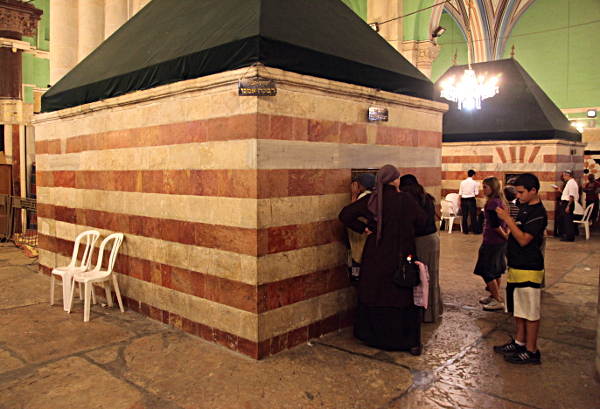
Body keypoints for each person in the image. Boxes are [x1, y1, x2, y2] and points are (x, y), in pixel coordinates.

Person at [339, 164, 427, 355]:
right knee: (401, 294)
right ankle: (408, 341)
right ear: (394, 180)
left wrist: (364, 228)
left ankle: (374, 337)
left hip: (375, 255)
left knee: (376, 292)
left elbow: (345, 214)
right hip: (403, 254)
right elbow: (422, 221)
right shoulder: (405, 199)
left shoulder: (372, 199)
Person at [495, 173, 547, 364]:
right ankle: (519, 341)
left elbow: (524, 239)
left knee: (530, 311)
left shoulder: (538, 213)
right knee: (518, 308)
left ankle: (532, 350)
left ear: (533, 191)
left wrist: (507, 219)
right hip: (516, 265)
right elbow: (512, 235)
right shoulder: (523, 207)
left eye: (522, 192)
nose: (519, 196)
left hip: (529, 267)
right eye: (517, 192)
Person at [399, 174, 442, 323]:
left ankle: (426, 314)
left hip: (422, 241)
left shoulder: (412, 201)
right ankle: (435, 310)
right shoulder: (426, 198)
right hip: (433, 239)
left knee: (423, 278)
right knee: (432, 275)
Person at [473, 177, 509, 311]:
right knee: (496, 269)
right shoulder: (500, 201)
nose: (483, 190)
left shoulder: (493, 203)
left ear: (493, 188)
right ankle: (494, 295)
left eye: (485, 187)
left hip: (492, 240)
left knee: (485, 269)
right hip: (499, 240)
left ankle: (498, 300)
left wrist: (504, 234)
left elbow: (495, 224)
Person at [347, 173, 376, 285]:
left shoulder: (364, 197)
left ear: (362, 186)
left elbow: (351, 211)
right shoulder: (375, 196)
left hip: (363, 236)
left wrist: (354, 195)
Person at [553, 170, 579, 242]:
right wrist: (560, 190)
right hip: (566, 202)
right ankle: (566, 234)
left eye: (564, 175)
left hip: (568, 203)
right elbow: (567, 194)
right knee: (564, 219)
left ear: (568, 175)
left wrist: (568, 206)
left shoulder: (572, 183)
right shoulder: (569, 183)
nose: (563, 177)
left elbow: (571, 196)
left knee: (568, 220)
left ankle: (569, 236)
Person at [458, 169, 481, 234]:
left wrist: (459, 202)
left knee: (465, 215)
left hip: (464, 199)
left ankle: (465, 230)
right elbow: (476, 193)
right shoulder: (474, 183)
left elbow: (460, 193)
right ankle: (475, 230)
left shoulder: (462, 182)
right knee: (473, 215)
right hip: (471, 199)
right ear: (473, 175)